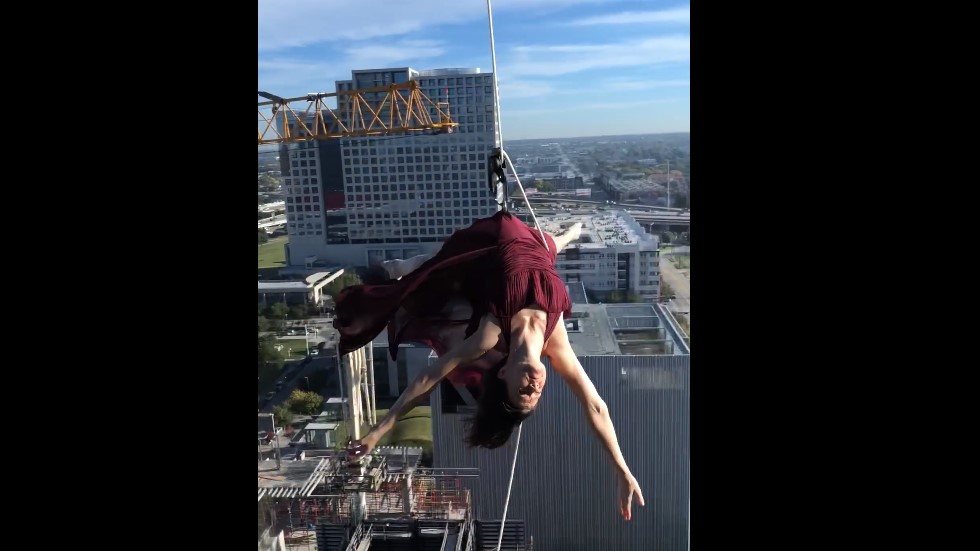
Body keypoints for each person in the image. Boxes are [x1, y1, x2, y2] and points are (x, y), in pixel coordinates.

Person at [333, 210, 645, 520]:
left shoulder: (488, 335)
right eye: (536, 394)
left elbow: (427, 378)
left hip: (491, 244)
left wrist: (379, 431)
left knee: (435, 266)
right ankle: (572, 233)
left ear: (504, 372)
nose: (533, 387)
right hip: (537, 247)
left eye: (522, 392)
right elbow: (595, 406)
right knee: (553, 245)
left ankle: (398, 269)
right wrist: (623, 470)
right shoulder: (556, 342)